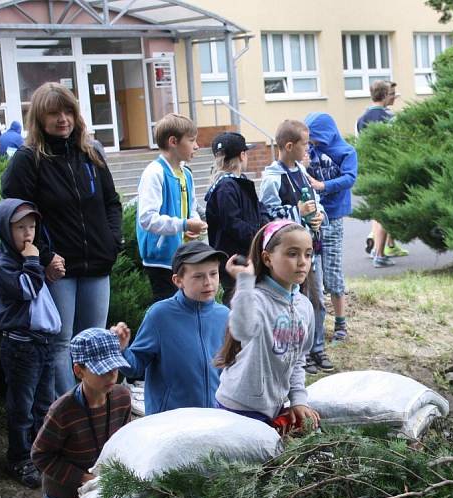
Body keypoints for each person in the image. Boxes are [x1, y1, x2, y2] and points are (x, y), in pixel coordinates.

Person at [1, 82, 123, 397]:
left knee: (93, 340)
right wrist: (43, 257)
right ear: (40, 119)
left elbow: (111, 202)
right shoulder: (28, 160)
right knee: (61, 342)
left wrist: (112, 242)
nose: (62, 119)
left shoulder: (91, 153)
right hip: (58, 269)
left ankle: (94, 412)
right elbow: (17, 217)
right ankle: (68, 415)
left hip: (97, 263)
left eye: (68, 111)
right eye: (53, 113)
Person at [216, 220, 321, 434]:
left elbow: (298, 358)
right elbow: (242, 331)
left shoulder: (304, 307)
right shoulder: (256, 299)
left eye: (308, 254)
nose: (302, 262)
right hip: (238, 407)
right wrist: (244, 282)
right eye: (292, 254)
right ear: (267, 258)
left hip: (273, 408)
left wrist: (298, 400)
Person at [31, 328, 131, 498]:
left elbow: (124, 439)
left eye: (115, 367)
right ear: (79, 371)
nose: (112, 375)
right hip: (64, 496)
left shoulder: (122, 397)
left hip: (101, 487)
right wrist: (85, 479)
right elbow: (41, 455)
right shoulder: (62, 411)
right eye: (102, 370)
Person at [111, 241, 230, 415]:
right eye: (198, 276)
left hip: (215, 418)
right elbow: (135, 367)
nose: (208, 282)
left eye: (213, 274)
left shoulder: (225, 316)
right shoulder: (159, 315)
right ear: (178, 280)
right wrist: (121, 350)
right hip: (170, 421)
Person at [0, 200, 61, 488]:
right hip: (21, 347)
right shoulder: (5, 264)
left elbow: (39, 291)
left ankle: (39, 452)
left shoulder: (27, 261)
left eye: (32, 226)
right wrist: (35, 262)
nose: (28, 234)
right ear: (6, 231)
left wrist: (49, 274)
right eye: (20, 228)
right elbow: (27, 290)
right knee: (22, 405)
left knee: (44, 403)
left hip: (42, 344)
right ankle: (19, 458)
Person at [259, 119, 331, 374]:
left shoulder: (301, 170)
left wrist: (319, 214)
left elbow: (314, 199)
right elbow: (269, 216)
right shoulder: (272, 178)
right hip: (289, 253)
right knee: (296, 300)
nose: (308, 150)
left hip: (312, 246)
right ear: (289, 146)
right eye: (305, 145)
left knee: (317, 299)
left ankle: (317, 347)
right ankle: (299, 351)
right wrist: (296, 212)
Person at [136, 113, 207, 303]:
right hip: (160, 261)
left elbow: (190, 208)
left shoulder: (186, 174)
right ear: (173, 141)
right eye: (192, 140)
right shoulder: (154, 173)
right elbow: (147, 219)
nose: (197, 146)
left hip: (182, 257)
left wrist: (192, 224)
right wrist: (184, 224)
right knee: (167, 313)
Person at [304, 112, 357, 341]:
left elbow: (349, 178)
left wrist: (322, 185)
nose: (312, 142)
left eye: (314, 137)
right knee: (311, 271)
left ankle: (340, 323)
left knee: (333, 271)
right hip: (312, 218)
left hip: (333, 217)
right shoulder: (310, 152)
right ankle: (314, 322)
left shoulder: (346, 152)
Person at [204, 131, 269, 306]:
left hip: (248, 254)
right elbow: (233, 224)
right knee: (237, 302)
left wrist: (266, 227)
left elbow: (259, 208)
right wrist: (258, 237)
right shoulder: (225, 187)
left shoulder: (241, 181)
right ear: (242, 155)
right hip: (234, 260)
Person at [363, 81, 408, 261]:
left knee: (377, 208)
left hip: (369, 168)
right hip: (386, 168)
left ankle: (381, 245)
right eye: (391, 94)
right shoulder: (390, 118)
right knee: (386, 210)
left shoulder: (361, 119)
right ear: (385, 94)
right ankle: (379, 253)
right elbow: (396, 144)